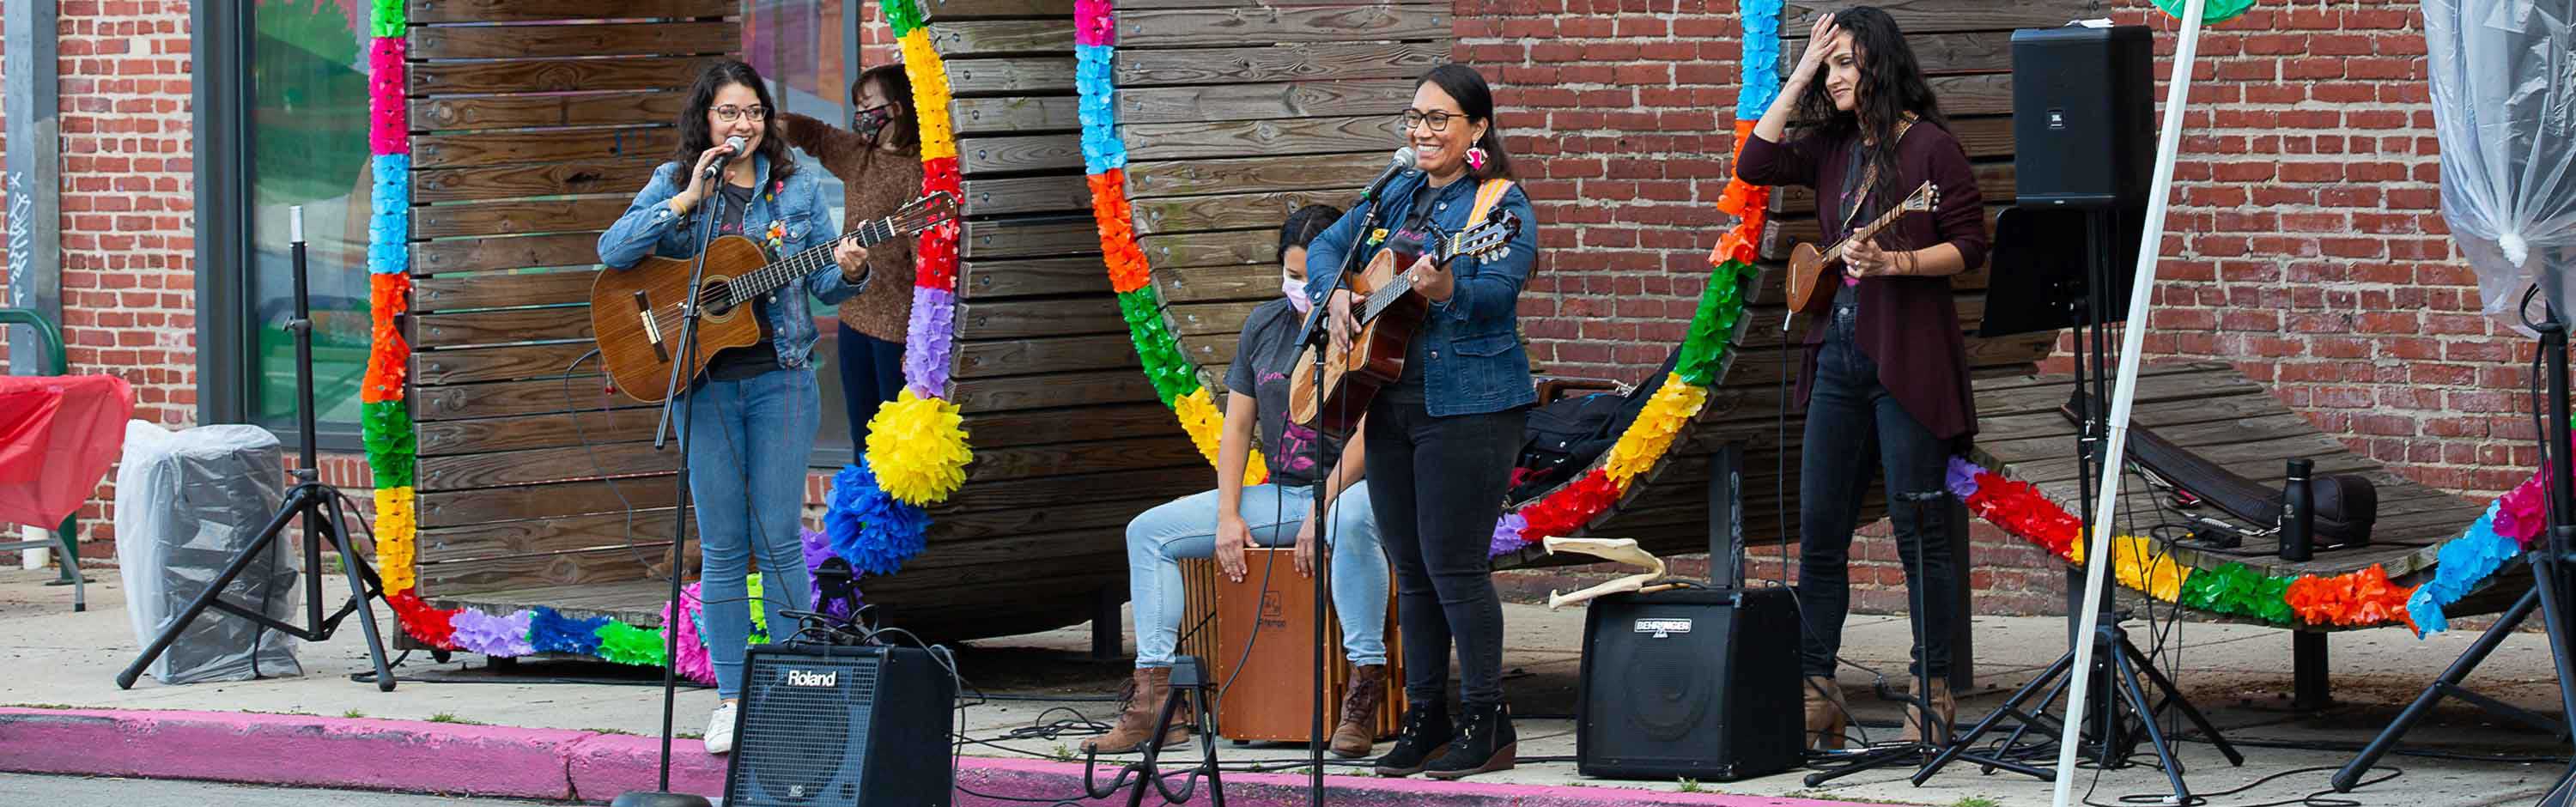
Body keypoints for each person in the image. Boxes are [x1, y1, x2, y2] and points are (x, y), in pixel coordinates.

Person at [595, 59, 872, 755]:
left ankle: (795, 691)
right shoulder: (676, 181)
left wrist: (849, 270)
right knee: (721, 545)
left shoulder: (798, 186)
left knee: (778, 536)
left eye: (753, 112)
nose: (743, 124)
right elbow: (614, 249)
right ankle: (730, 698)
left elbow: (823, 290)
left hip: (782, 379)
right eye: (728, 113)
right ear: (706, 122)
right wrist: (687, 198)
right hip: (701, 386)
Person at [1735, 5, 1989, 749]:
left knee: (1920, 536)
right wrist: (1805, 68)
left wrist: (1897, 263)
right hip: (1836, 359)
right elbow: (1755, 162)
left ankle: (1933, 689)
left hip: (1908, 361)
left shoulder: (1932, 149)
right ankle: (1818, 692)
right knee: (1819, 531)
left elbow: (1971, 246)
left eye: (1847, 61)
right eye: (1831, 63)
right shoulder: (1832, 147)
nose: (1838, 76)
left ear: (1881, 64)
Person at [1090, 205, 1394, 760]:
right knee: (1148, 532)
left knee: (1349, 522)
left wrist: (1320, 508)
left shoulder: (1371, 325)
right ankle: (1156, 701)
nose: (1301, 288)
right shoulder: (1266, 325)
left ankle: (1363, 689)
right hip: (1282, 490)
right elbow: (1237, 427)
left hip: (1357, 489)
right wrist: (1230, 515)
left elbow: (1371, 437)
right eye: (1293, 275)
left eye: (1313, 277)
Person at [1304, 64, 1539, 780]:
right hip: (1390, 404)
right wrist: (1336, 296)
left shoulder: (1501, 205)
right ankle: (1425, 716)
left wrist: (1447, 286)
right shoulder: (1398, 191)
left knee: (1454, 566)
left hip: (1471, 406)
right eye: (1414, 117)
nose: (1422, 131)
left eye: (1439, 119)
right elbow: (1324, 247)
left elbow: (1499, 286)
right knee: (1410, 567)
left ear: (1477, 129)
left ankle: (1487, 720)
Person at [779, 64, 924, 450]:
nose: (861, 115)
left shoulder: (921, 169)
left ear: (896, 107)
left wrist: (923, 334)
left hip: (899, 326)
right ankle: (869, 508)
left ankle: (900, 510)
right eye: (857, 106)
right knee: (864, 433)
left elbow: (926, 262)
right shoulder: (859, 155)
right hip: (854, 313)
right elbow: (816, 135)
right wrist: (774, 125)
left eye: (868, 104)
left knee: (898, 440)